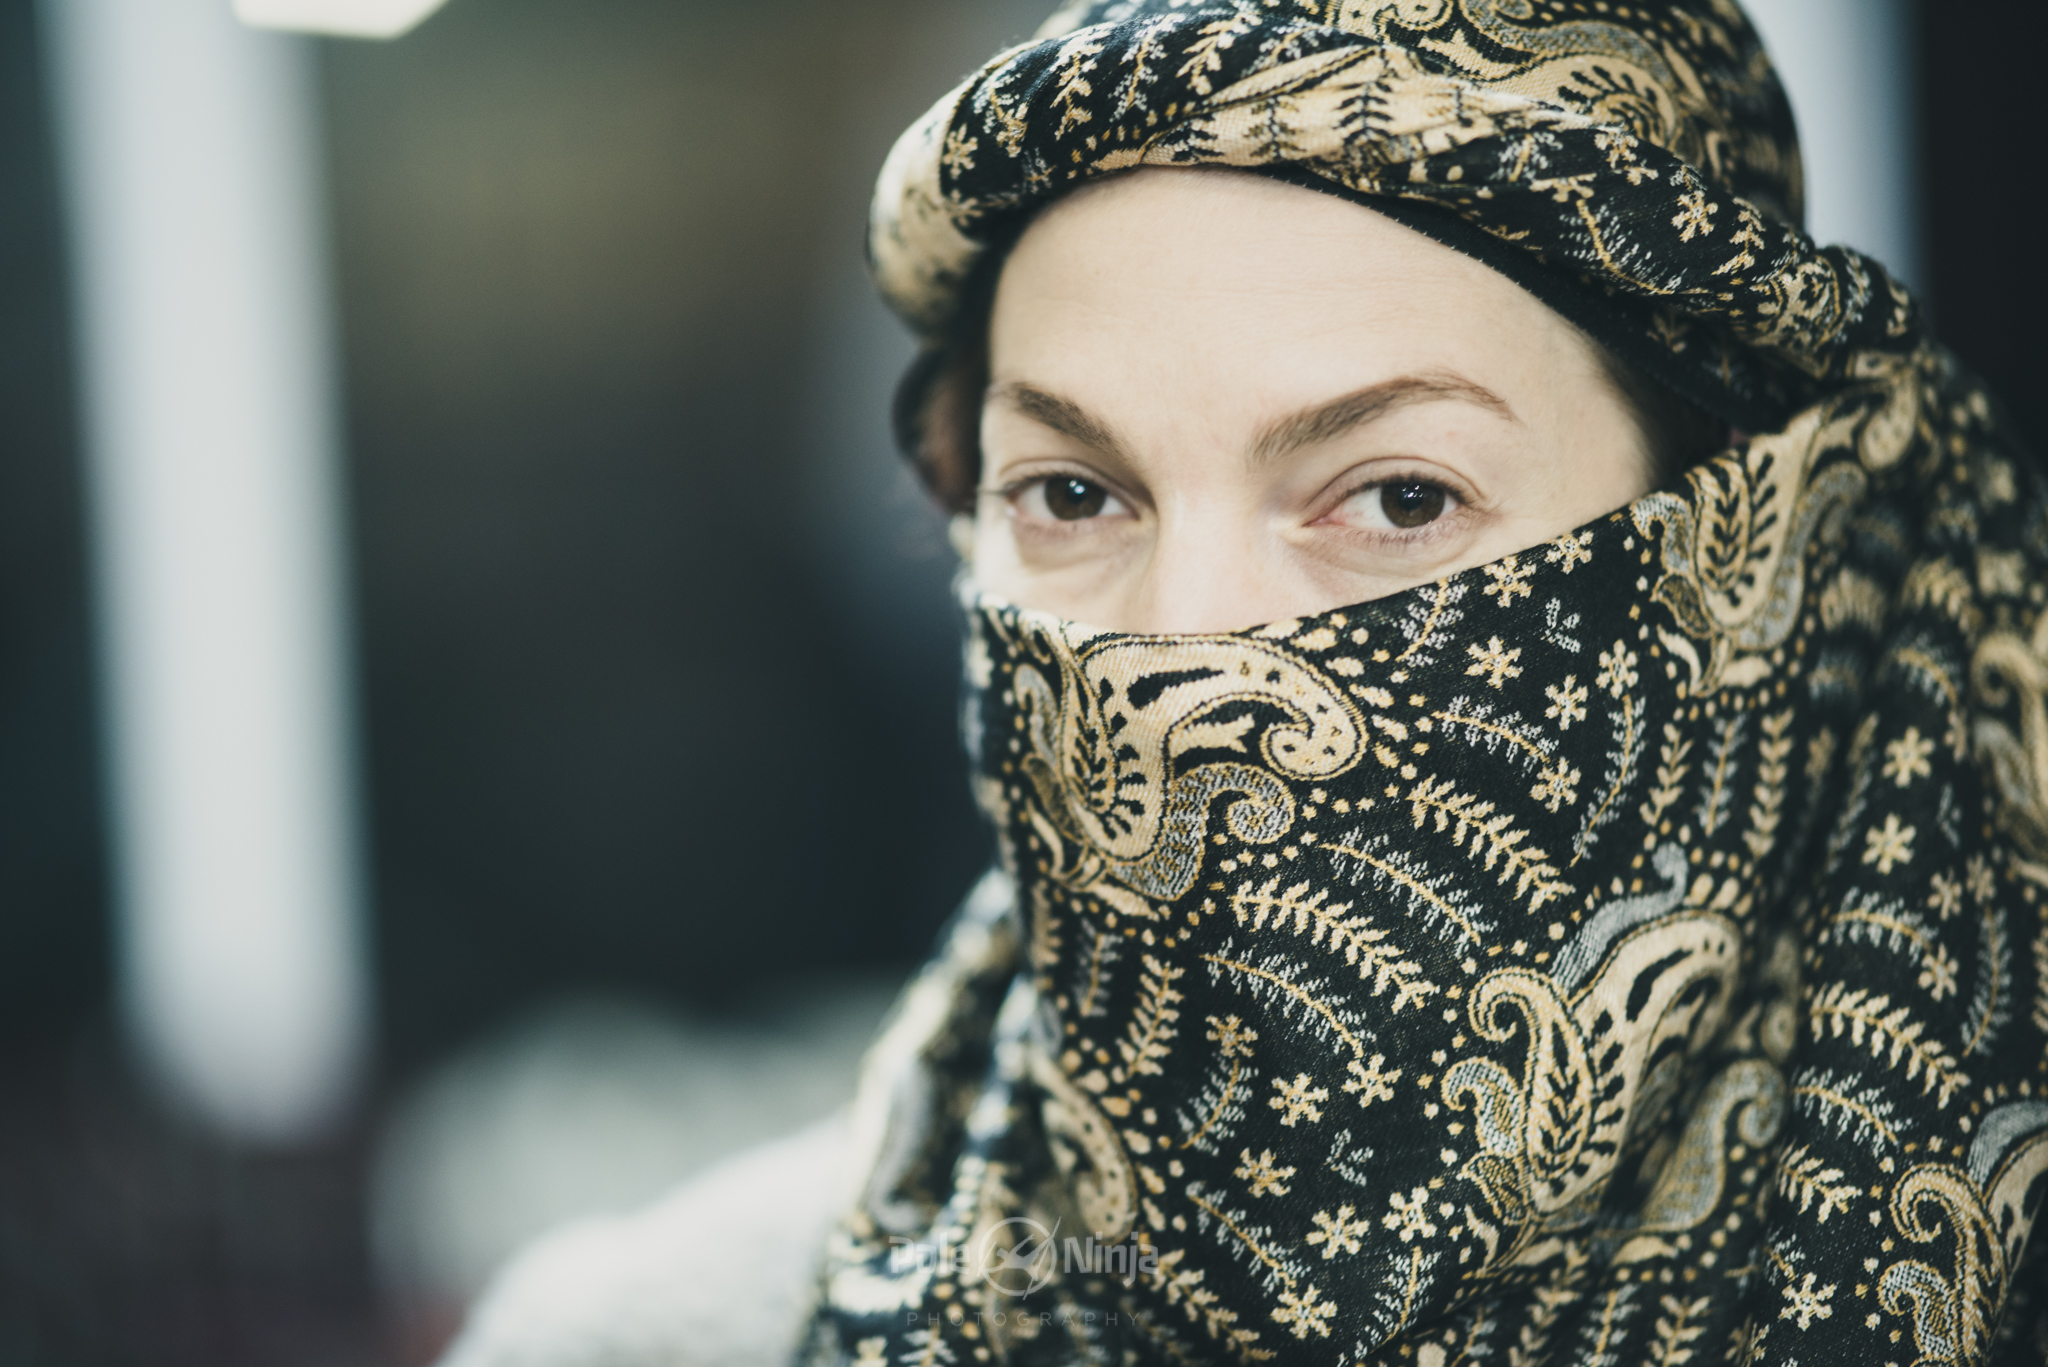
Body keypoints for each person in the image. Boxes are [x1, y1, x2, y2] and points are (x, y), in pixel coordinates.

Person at [444, 3, 2048, 1365]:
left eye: (1400, 497)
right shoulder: (659, 1334)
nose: (1185, 653)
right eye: (1073, 496)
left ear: (1752, 562)